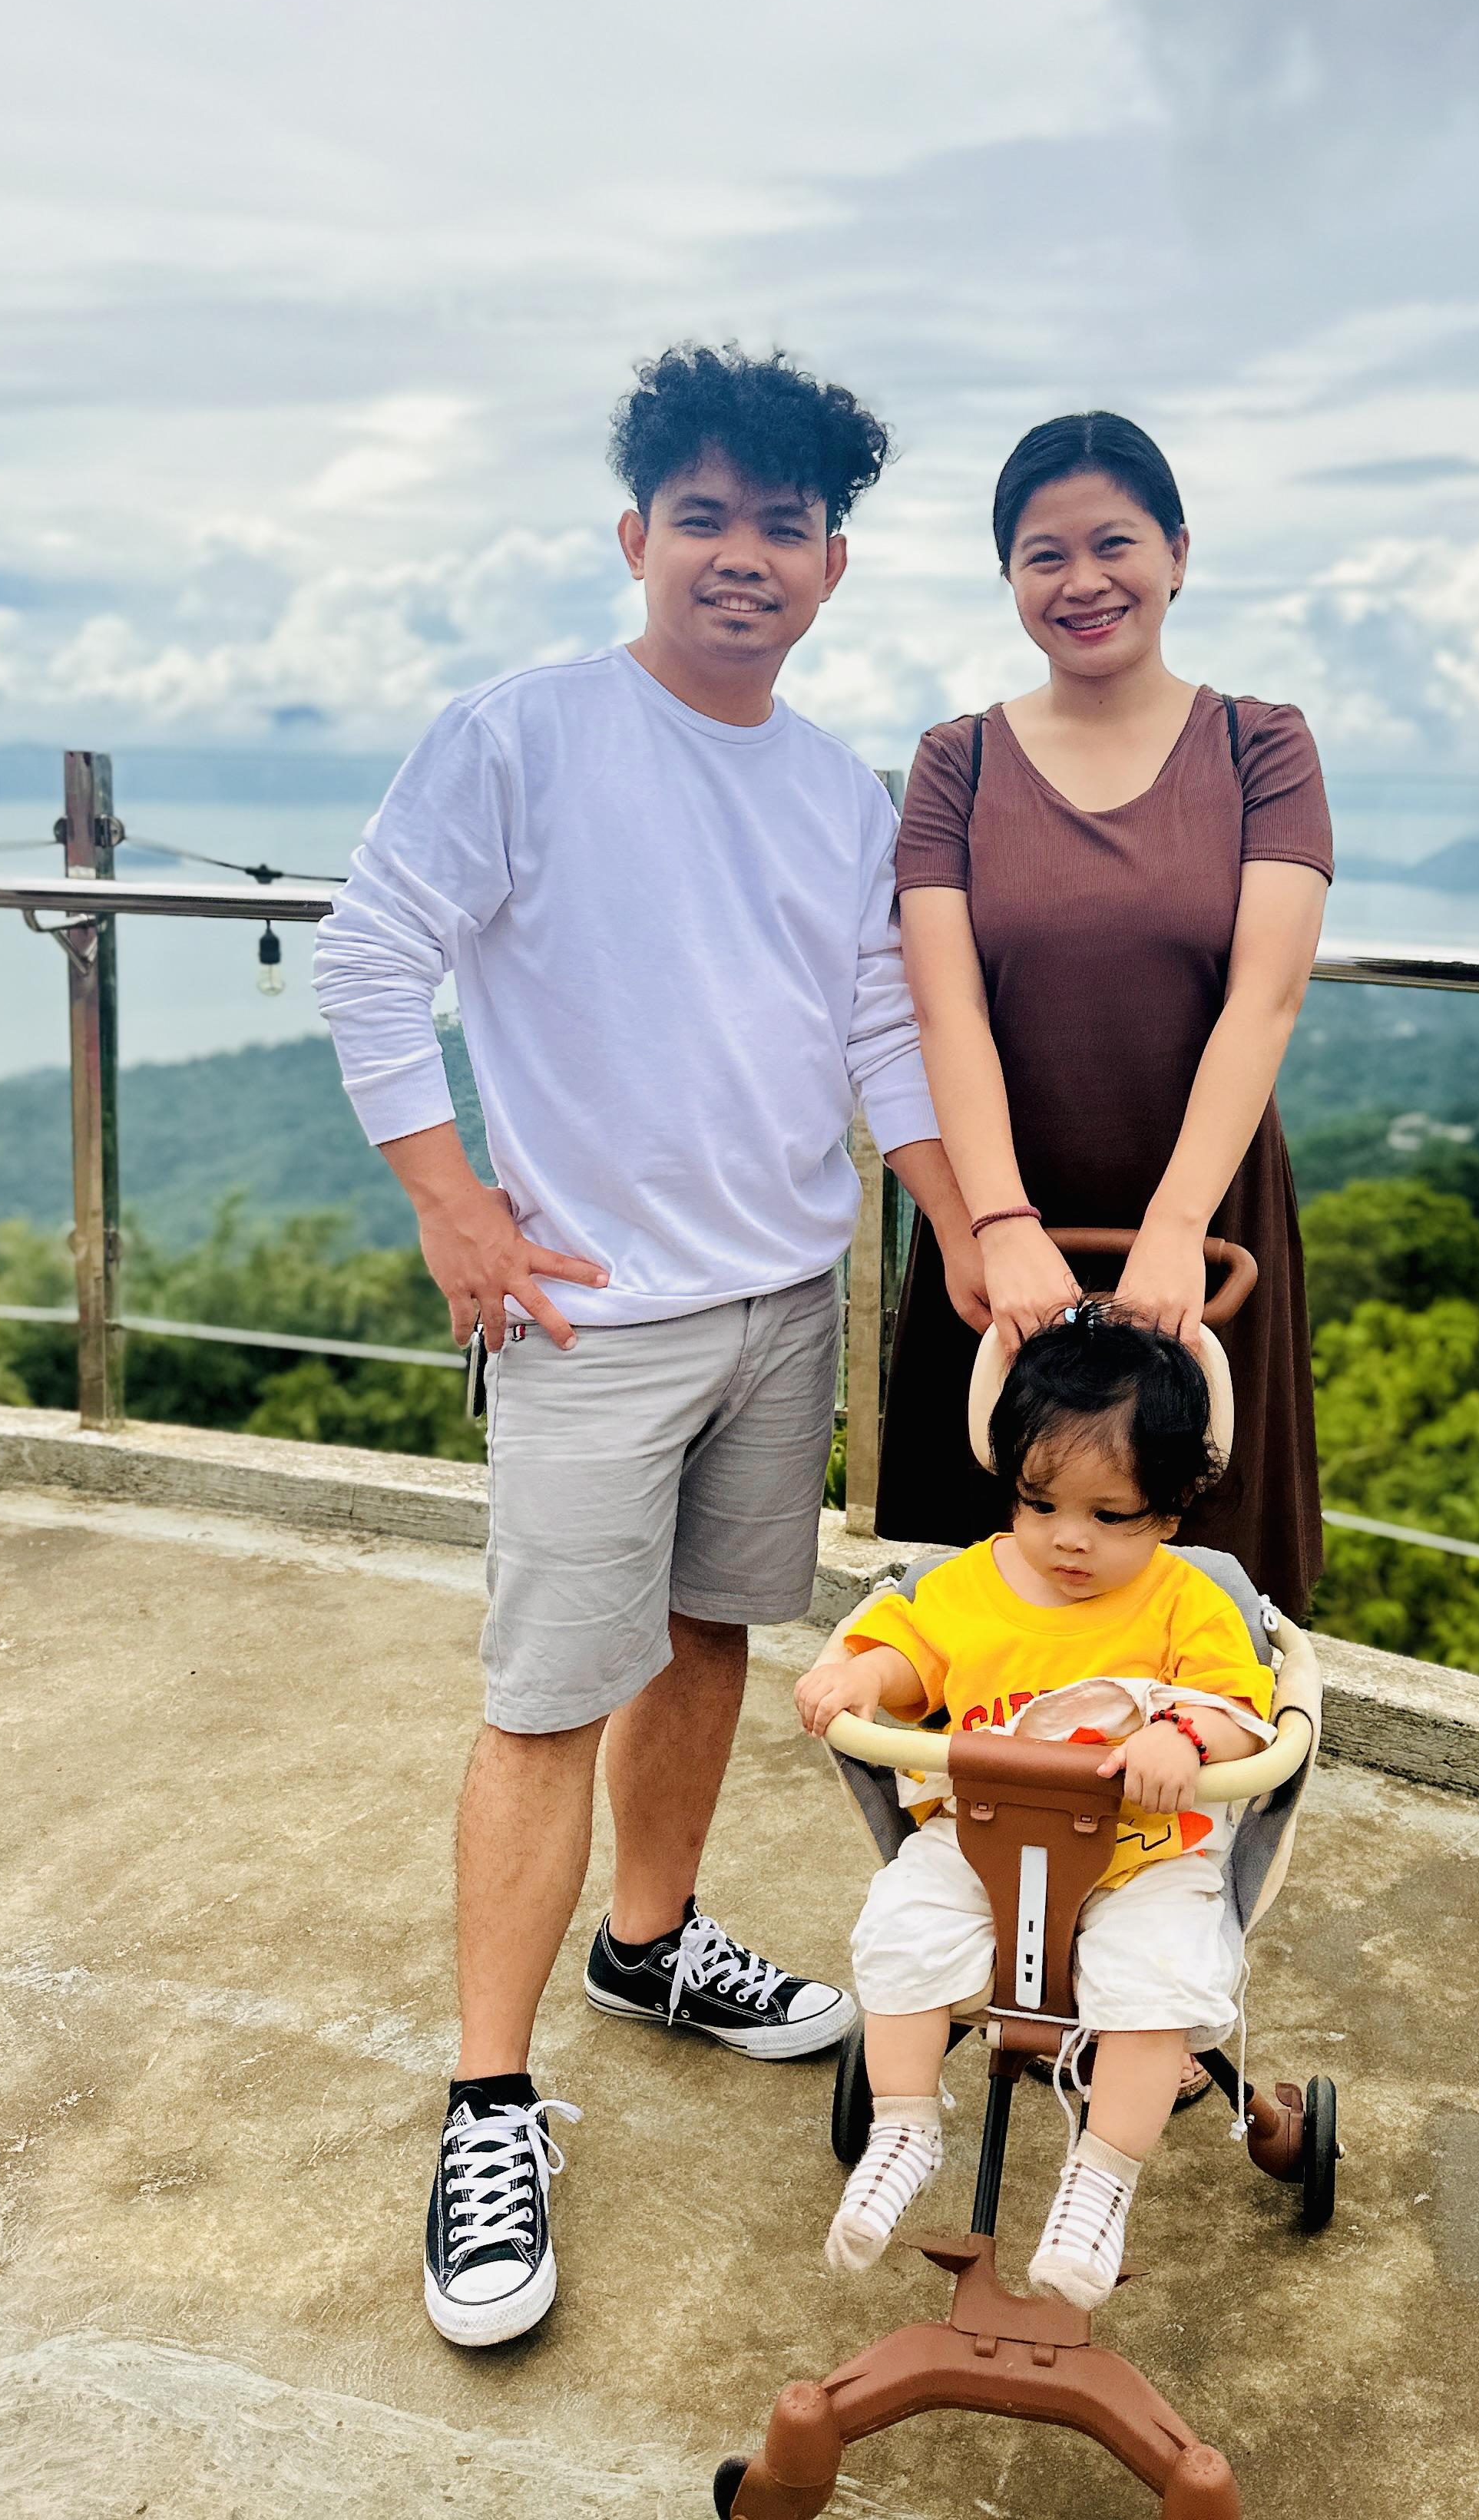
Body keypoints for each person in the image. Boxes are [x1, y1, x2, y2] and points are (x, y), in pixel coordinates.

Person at [313, 343, 979, 2352]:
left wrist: (970, 1238)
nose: (742, 555)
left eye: (785, 524)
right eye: (705, 517)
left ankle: (653, 1940)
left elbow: (880, 1031)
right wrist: (451, 1200)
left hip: (785, 1300)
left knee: (704, 1640)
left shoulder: (839, 791)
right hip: (591, 1316)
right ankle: (489, 2103)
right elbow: (371, 953)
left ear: (834, 564)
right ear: (635, 537)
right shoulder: (522, 734)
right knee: (542, 1700)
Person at [878, 410, 1333, 1617]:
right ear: (1009, 578)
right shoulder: (958, 763)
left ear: (1177, 553)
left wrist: (1176, 1230)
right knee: (980, 1605)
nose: (1082, 581)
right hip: (1002, 1233)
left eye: (1115, 544)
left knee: (1202, 1599)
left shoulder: (1260, 747)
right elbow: (944, 1011)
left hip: (1207, 1228)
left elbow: (1265, 998)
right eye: (1045, 555)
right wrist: (999, 1222)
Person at [793, 1305, 1276, 2308]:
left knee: (1158, 1983)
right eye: (1040, 1502)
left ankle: (1101, 2181)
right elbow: (910, 1655)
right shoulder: (968, 1585)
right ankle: (904, 2128)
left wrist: (1184, 1738)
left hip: (1142, 1855)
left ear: (1170, 1511)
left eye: (1111, 1516)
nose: (1069, 1539)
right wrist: (864, 1676)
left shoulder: (1187, 1602)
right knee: (901, 1929)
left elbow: (1243, 1713)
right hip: (983, 1841)